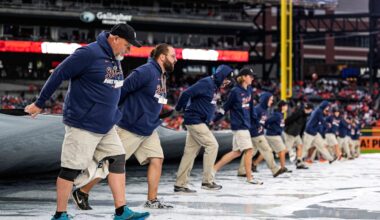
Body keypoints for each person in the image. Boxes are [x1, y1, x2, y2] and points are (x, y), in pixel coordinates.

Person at [24, 23, 149, 220]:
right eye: (127, 44)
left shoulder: (114, 57)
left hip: (106, 124)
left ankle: (121, 211)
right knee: (71, 169)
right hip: (84, 123)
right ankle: (60, 215)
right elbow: (58, 74)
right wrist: (39, 103)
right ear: (115, 39)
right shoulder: (88, 53)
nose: (129, 49)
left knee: (117, 159)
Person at [73, 43, 177, 210]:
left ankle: (152, 200)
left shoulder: (161, 75)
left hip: (148, 128)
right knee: (110, 164)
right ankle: (82, 191)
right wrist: (112, 112)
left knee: (157, 159)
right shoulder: (145, 71)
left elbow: (152, 99)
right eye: (173, 56)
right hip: (130, 126)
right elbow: (120, 91)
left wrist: (158, 113)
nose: (176, 59)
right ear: (162, 57)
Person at [174, 64, 234, 193]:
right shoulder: (206, 83)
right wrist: (179, 108)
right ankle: (207, 181)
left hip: (199, 121)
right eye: (226, 80)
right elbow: (186, 93)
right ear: (221, 76)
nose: (226, 83)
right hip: (195, 120)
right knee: (212, 145)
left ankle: (180, 184)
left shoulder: (214, 86)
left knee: (189, 153)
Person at [214, 68, 263, 185]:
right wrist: (214, 120)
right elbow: (225, 107)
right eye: (250, 76)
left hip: (245, 126)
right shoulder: (235, 92)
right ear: (244, 77)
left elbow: (251, 110)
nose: (252, 78)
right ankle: (250, 178)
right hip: (239, 126)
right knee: (249, 150)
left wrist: (257, 124)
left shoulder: (249, 90)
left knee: (236, 152)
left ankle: (213, 169)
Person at [238, 92, 286, 177]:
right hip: (256, 133)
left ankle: (242, 170)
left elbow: (263, 122)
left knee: (250, 152)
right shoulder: (258, 109)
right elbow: (249, 119)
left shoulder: (265, 110)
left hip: (257, 133)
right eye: (270, 99)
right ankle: (275, 169)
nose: (272, 101)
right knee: (267, 150)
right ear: (265, 100)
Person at [283, 103, 313, 169]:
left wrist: (301, 135)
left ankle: (299, 162)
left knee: (300, 146)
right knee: (287, 149)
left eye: (308, 109)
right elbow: (289, 119)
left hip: (296, 134)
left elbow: (302, 127)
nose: (306, 110)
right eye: (306, 109)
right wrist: (284, 125)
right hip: (290, 132)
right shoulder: (299, 113)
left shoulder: (305, 116)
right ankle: (277, 153)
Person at [265, 100, 291, 172]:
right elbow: (267, 121)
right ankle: (282, 168)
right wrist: (269, 128)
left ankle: (254, 164)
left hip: (275, 135)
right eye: (286, 106)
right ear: (282, 106)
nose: (287, 107)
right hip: (273, 135)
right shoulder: (277, 115)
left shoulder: (281, 114)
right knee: (282, 150)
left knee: (267, 151)